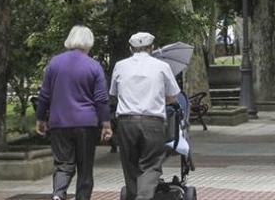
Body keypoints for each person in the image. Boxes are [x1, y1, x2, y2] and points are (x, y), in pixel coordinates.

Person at [36, 26, 112, 200]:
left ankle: (58, 194)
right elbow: (101, 99)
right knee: (85, 168)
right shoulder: (94, 66)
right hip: (86, 124)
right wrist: (106, 124)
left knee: (63, 164)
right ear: (89, 42)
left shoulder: (54, 63)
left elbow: (45, 94)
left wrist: (41, 118)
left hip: (59, 123)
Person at [111, 32, 181, 200]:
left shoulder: (120, 66)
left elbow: (114, 93)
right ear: (152, 48)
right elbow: (173, 97)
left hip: (126, 122)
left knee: (130, 165)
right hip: (153, 123)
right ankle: (143, 197)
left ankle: (135, 195)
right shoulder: (162, 66)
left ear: (130, 49)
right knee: (151, 165)